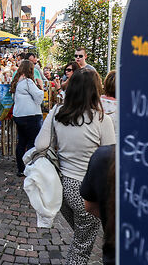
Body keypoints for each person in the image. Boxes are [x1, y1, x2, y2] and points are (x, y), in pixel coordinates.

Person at [34, 68, 115, 264]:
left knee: (81, 238)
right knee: (81, 247)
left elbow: (40, 145)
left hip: (61, 188)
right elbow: (109, 159)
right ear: (95, 90)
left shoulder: (56, 112)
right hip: (86, 192)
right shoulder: (102, 119)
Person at [80, 145, 116, 265]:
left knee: (79, 244)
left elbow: (90, 206)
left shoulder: (104, 157)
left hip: (68, 181)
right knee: (81, 246)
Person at [10, 60, 44, 176]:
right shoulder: (28, 82)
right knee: (32, 142)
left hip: (19, 115)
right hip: (31, 115)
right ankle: (29, 168)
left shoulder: (17, 82)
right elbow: (39, 97)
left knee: (21, 142)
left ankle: (21, 168)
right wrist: (41, 88)